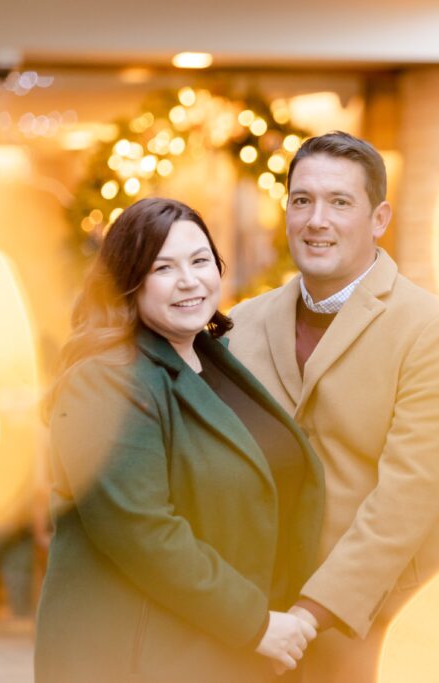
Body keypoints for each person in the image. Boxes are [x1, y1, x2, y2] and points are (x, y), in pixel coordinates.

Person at [35, 198, 323, 682]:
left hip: (219, 647)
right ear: (128, 282)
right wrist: (255, 623)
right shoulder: (105, 380)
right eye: (163, 267)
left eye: (199, 260)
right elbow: (142, 532)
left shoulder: (212, 360)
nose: (189, 280)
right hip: (137, 657)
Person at [228, 131, 439, 681]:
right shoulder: (239, 325)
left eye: (340, 202)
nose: (318, 219)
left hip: (390, 628)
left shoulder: (432, 330)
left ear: (379, 218)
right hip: (264, 629)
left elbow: (405, 500)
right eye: (302, 200)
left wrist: (308, 614)